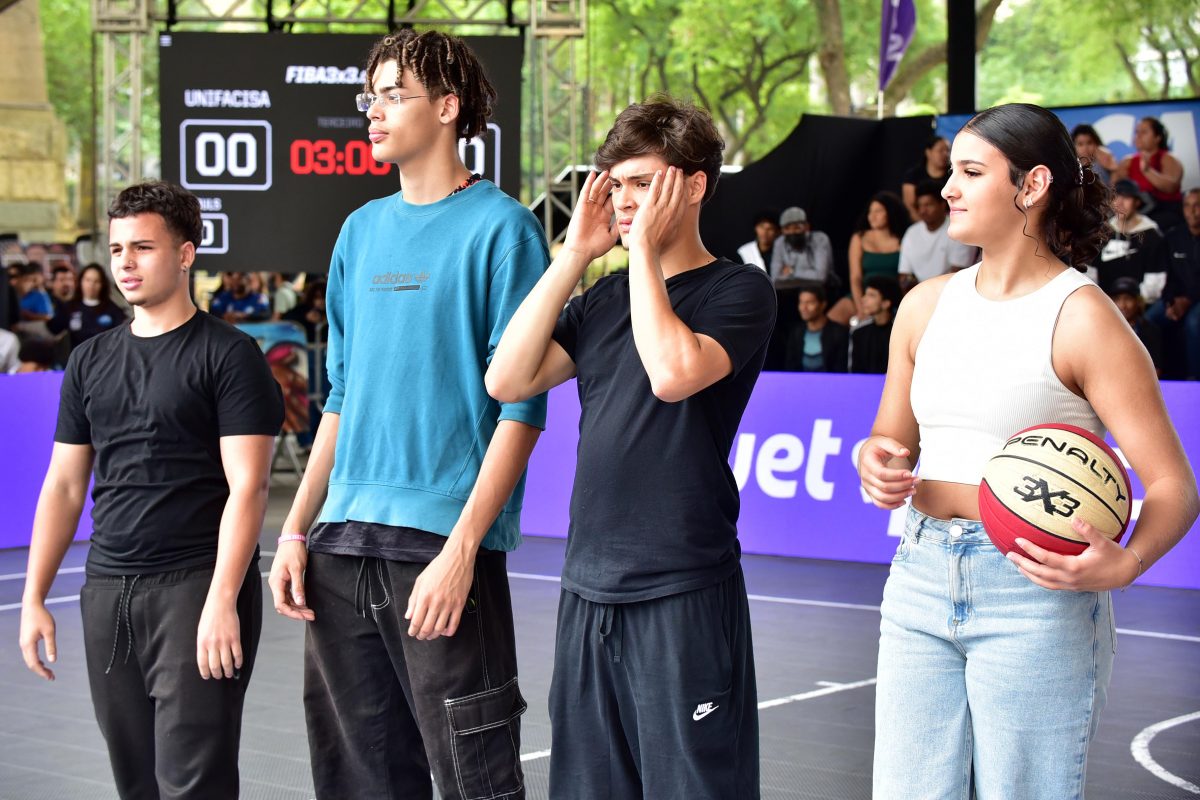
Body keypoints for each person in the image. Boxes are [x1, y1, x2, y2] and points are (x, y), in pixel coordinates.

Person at [858, 102, 1198, 799]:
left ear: (1032, 185)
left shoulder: (1085, 318)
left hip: (1034, 592)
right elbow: (892, 438)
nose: (947, 187)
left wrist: (1129, 561)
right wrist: (876, 460)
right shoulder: (924, 306)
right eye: (952, 171)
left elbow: (1173, 486)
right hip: (919, 571)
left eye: (970, 172)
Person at [267, 30, 549, 800]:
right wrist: (296, 529)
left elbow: (522, 408)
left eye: (395, 95)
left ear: (448, 107)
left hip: (439, 549)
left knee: (475, 782)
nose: (374, 111)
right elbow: (341, 396)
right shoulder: (359, 232)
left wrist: (463, 552)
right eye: (372, 96)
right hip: (339, 545)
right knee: (357, 782)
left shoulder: (505, 229)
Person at [487, 97, 774, 800]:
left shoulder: (740, 289)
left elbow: (673, 374)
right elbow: (507, 379)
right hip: (588, 585)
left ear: (694, 186)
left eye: (643, 183)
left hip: (681, 585)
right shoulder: (605, 298)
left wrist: (642, 251)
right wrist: (573, 255)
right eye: (615, 184)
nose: (622, 201)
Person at [18, 181, 284, 798]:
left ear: (185, 254)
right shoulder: (89, 361)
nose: (125, 264)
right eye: (117, 250)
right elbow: (64, 486)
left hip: (193, 587)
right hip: (107, 590)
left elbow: (249, 487)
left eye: (143, 247)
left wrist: (222, 600)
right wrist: (35, 597)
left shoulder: (230, 355)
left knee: (193, 783)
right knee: (135, 782)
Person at [1146, 188, 1200, 379]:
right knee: (1148, 320)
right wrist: (1170, 301)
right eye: (1187, 206)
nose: (1192, 211)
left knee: (1194, 323)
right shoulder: (1173, 237)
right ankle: (1151, 376)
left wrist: (1188, 300)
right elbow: (1168, 276)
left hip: (1195, 299)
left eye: (1197, 205)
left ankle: (1194, 379)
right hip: (1177, 296)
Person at [897, 181, 975, 292]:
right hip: (918, 295)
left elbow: (957, 275)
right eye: (920, 206)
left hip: (951, 294)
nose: (923, 211)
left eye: (928, 205)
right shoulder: (911, 233)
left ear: (942, 205)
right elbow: (904, 276)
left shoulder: (958, 229)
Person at [1093, 179, 1164, 296]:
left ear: (1137, 202)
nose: (1119, 203)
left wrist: (1133, 302)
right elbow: (1091, 270)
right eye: (1115, 197)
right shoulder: (1102, 231)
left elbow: (1155, 278)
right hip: (1103, 299)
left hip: (1139, 301)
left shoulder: (1152, 235)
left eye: (1126, 197)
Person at [1114, 116, 1185, 232]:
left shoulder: (1169, 159)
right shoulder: (1127, 162)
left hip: (1164, 213)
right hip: (1136, 213)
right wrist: (1113, 170)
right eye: (1137, 132)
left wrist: (1147, 171)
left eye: (1144, 132)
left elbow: (1171, 187)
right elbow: (1114, 190)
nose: (1138, 136)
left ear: (1158, 137)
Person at [848, 191, 906, 318]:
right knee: (833, 318)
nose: (872, 216)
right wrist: (860, 308)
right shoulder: (859, 238)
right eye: (870, 212)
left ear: (890, 212)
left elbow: (905, 278)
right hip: (862, 295)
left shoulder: (904, 239)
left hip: (890, 298)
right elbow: (855, 278)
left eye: (878, 211)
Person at [47, 263, 127, 350]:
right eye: (88, 280)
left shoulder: (113, 310)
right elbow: (54, 329)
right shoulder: (70, 307)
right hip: (78, 356)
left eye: (96, 281)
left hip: (106, 356)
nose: (91, 285)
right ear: (81, 282)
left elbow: (121, 337)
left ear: (102, 284)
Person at [1109, 276, 1165, 377]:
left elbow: (1156, 369)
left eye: (1128, 299)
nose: (1123, 305)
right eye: (1117, 299)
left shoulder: (1151, 330)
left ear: (1138, 301)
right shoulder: (1104, 330)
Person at [784, 285, 848, 372]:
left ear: (823, 305)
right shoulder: (796, 333)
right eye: (801, 302)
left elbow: (841, 368)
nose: (804, 308)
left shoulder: (839, 333)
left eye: (810, 303)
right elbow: (790, 367)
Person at [850, 274, 901, 374]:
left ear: (886, 303)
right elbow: (854, 370)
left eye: (871, 295)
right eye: (865, 294)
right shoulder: (859, 332)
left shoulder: (900, 333)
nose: (863, 299)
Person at [770, 206, 833, 284]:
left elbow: (821, 276)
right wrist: (809, 273)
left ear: (807, 227)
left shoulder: (819, 239)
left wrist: (792, 271)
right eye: (787, 228)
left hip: (819, 286)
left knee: (807, 292)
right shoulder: (780, 242)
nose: (792, 232)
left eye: (797, 228)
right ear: (782, 230)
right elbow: (775, 277)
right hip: (788, 286)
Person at [901, 136, 951, 221]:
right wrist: (924, 225)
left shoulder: (953, 174)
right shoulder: (913, 175)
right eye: (940, 150)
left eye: (947, 150)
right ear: (928, 152)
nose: (945, 154)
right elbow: (909, 206)